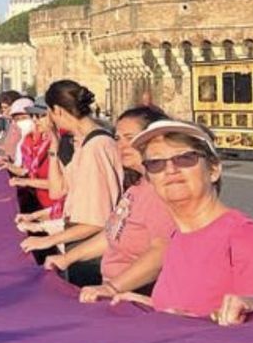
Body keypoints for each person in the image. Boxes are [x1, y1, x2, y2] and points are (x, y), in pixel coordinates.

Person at [106, 119, 253, 318]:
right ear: (150, 179)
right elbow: (188, 309)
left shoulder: (244, 238)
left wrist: (191, 323)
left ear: (213, 170)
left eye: (185, 158)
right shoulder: (178, 238)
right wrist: (149, 306)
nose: (170, 170)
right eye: (156, 163)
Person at [41, 106, 177, 294]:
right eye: (118, 138)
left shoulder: (160, 192)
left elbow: (161, 251)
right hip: (117, 290)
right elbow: (113, 234)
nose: (121, 145)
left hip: (134, 294)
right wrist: (67, 259)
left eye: (130, 138)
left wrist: (111, 288)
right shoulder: (138, 188)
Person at [18, 81, 123, 260]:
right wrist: (54, 144)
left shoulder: (96, 147)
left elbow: (96, 221)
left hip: (90, 249)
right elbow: (57, 190)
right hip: (79, 239)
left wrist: (47, 240)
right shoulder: (83, 143)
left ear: (57, 110)